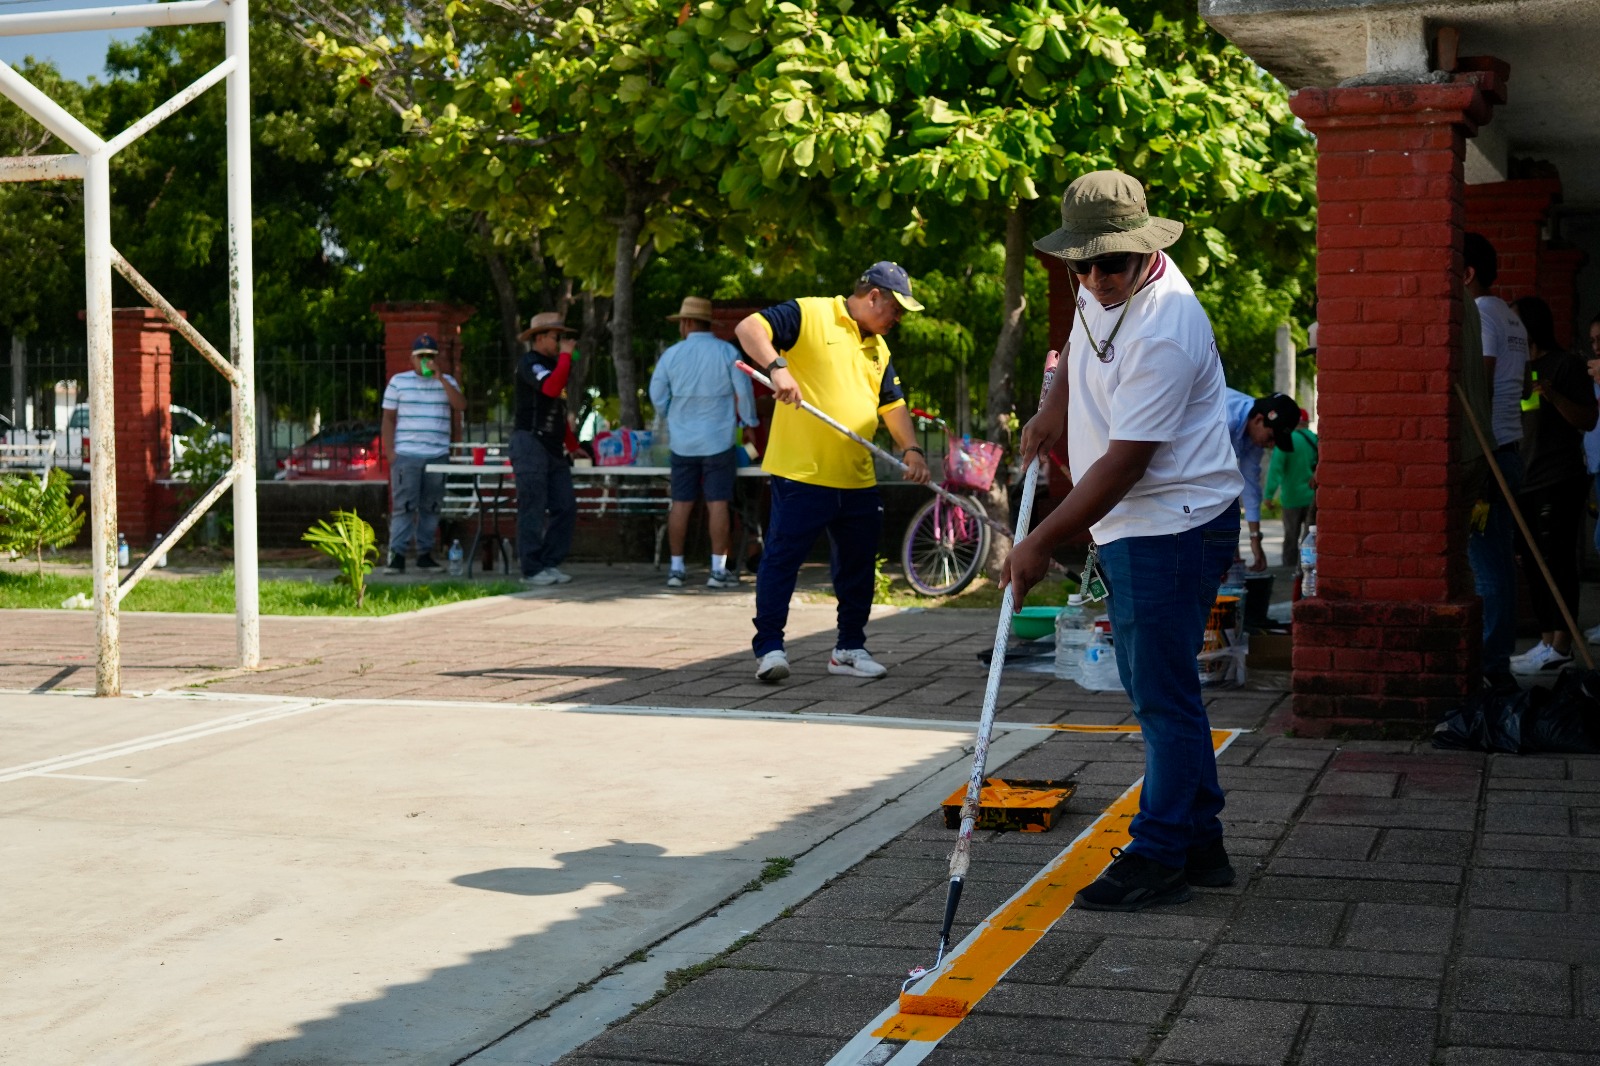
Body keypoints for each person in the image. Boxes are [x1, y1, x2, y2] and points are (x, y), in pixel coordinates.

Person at [1003, 170, 1245, 912]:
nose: (1099, 279)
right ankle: (1200, 845)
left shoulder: (1167, 326)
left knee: (1160, 696)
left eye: (1114, 264)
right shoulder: (1093, 290)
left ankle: (1159, 851)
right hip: (1135, 520)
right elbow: (1078, 350)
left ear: (1146, 252)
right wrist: (1051, 409)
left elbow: (1125, 462)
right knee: (1160, 689)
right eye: (1085, 264)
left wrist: (1040, 540)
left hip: (1175, 521)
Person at [733, 261, 933, 683]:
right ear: (873, 294)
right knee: (782, 562)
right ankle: (769, 648)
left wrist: (911, 449)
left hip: (856, 477)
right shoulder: (810, 313)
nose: (897, 318)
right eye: (895, 308)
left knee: (858, 567)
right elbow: (749, 328)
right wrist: (777, 367)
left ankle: (849, 648)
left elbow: (891, 404)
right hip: (802, 472)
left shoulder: (879, 347)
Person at [1507, 297, 1597, 674]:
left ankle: (1563, 644)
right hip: (1525, 476)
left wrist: (1552, 394)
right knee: (1531, 560)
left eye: (1516, 322)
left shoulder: (1566, 365)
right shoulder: (1519, 368)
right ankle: (1545, 641)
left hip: (1559, 477)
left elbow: (1588, 419)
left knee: (1557, 559)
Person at [648, 296, 759, 589]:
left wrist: (670, 413)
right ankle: (717, 571)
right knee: (717, 503)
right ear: (708, 323)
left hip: (682, 441)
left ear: (685, 323)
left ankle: (676, 569)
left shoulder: (671, 355)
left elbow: (656, 392)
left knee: (681, 504)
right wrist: (749, 423)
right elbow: (744, 391)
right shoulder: (726, 351)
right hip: (718, 440)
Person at [1464, 232, 1529, 684]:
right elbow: (1521, 390)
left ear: (1467, 274)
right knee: (1500, 565)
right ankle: (1497, 662)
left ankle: (1491, 667)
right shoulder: (1512, 318)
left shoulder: (1482, 312)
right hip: (1509, 449)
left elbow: (1481, 381)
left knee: (1487, 569)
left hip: (1489, 458)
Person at [381, 334, 466, 574]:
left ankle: (425, 554)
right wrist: (391, 453)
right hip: (407, 454)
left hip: (437, 455)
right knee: (404, 506)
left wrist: (441, 379)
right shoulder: (399, 382)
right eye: (421, 357)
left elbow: (460, 406)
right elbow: (388, 418)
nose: (425, 361)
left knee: (432, 506)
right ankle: (397, 555)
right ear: (412, 359)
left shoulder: (447, 381)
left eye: (430, 357)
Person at [512, 312, 580, 587]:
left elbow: (558, 409)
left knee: (565, 505)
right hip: (530, 442)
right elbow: (551, 389)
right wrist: (565, 356)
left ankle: (550, 562)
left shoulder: (555, 365)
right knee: (533, 506)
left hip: (552, 447)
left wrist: (573, 446)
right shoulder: (530, 363)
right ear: (540, 338)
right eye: (557, 337)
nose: (562, 342)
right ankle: (531, 568)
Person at [1223, 389, 1301, 571]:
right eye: (1272, 437)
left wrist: (1255, 540)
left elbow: (1250, 485)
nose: (1271, 445)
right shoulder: (1226, 418)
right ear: (1259, 419)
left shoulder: (1253, 437)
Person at [1264, 416, 1318, 568]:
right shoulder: (1315, 439)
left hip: (1291, 498)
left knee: (1291, 538)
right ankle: (1308, 569)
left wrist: (1268, 496)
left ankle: (1289, 571)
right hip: (1312, 497)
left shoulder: (1286, 440)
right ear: (1306, 423)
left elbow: (1275, 470)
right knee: (1311, 537)